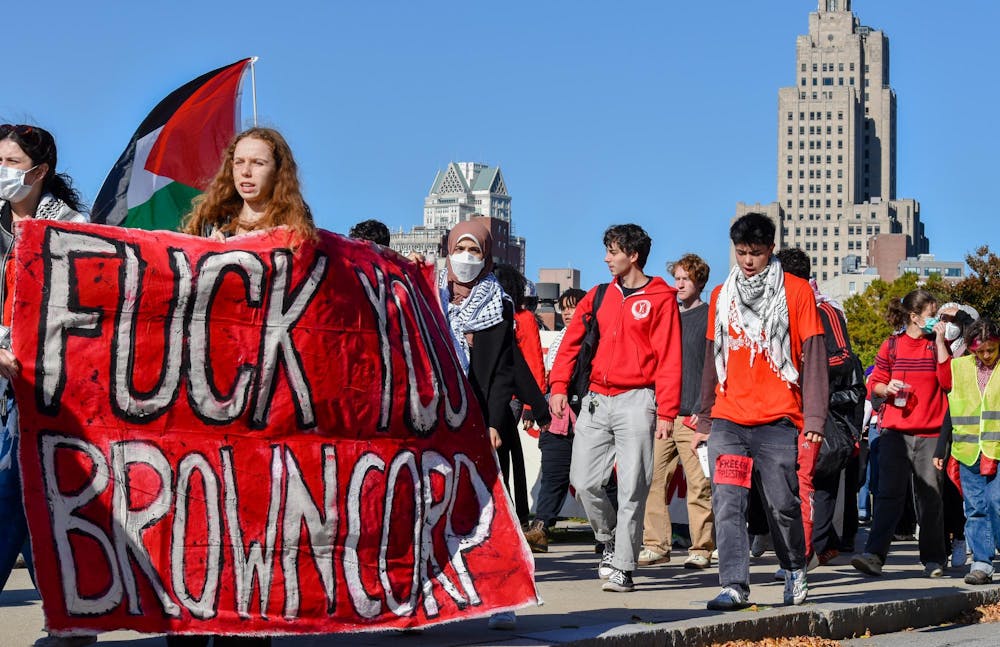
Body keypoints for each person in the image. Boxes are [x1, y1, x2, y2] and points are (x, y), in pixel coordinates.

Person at [177, 126, 316, 646]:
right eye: (239, 162)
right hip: (205, 389)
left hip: (267, 396)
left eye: (258, 163)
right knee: (200, 510)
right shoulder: (205, 226)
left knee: (253, 515)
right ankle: (192, 620)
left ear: (278, 171)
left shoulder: (299, 235)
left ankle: (246, 628)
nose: (246, 172)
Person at [692, 213, 828, 610]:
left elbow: (815, 357)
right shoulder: (722, 295)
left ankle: (794, 567)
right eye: (741, 253)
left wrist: (815, 419)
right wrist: (704, 418)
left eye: (755, 253)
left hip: (778, 419)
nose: (747, 260)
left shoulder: (797, 291)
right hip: (729, 418)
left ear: (771, 249)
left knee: (781, 503)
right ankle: (734, 584)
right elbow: (710, 359)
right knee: (728, 501)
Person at [549, 224, 683, 593]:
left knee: (633, 486)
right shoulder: (598, 295)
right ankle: (609, 540)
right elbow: (571, 344)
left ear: (633, 255)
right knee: (584, 481)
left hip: (638, 399)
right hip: (595, 399)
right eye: (607, 251)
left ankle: (624, 565)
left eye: (613, 251)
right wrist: (558, 386)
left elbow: (670, 358)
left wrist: (667, 413)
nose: (606, 258)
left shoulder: (661, 297)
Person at [0, 124, 93, 647]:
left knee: (22, 495)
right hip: (3, 377)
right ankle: (72, 619)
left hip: (52, 384)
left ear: (39, 172)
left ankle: (72, 619)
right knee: (22, 498)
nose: (2, 170)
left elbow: (87, 305)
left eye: (10, 161)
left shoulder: (73, 227)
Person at [437, 220, 519, 630]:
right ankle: (425, 601)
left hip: (477, 417)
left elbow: (503, 370)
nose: (465, 259)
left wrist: (492, 421)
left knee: (488, 510)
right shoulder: (429, 296)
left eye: (474, 251)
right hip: (434, 419)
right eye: (459, 249)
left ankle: (501, 598)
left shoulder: (497, 303)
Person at [773, 248, 864, 573]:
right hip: (786, 407)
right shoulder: (777, 309)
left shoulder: (825, 310)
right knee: (790, 482)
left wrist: (803, 364)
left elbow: (843, 357)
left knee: (817, 479)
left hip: (823, 408)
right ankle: (810, 548)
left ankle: (810, 550)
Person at [851, 288, 950, 578]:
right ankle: (874, 554)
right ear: (914, 317)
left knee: (930, 497)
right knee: (888, 495)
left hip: (930, 433)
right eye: (932, 316)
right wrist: (886, 388)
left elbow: (947, 383)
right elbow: (875, 383)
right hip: (894, 431)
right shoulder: (891, 345)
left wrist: (942, 342)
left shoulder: (936, 345)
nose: (936, 320)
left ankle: (934, 559)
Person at [639, 253, 715, 570]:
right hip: (664, 414)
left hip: (693, 416)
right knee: (652, 479)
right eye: (677, 278)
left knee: (699, 485)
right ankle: (656, 544)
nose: (679, 284)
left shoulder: (711, 316)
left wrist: (706, 409)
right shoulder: (667, 315)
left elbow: (717, 367)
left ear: (699, 282)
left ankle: (702, 548)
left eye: (686, 278)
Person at [524, 288, 587, 552]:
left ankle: (612, 531)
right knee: (553, 473)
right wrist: (532, 407)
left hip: (587, 415)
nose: (569, 312)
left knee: (598, 479)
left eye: (574, 306)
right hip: (558, 416)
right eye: (564, 307)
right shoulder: (560, 338)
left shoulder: (596, 338)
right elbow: (542, 377)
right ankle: (541, 528)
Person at [939, 318, 1000, 584]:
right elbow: (946, 393)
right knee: (975, 508)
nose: (986, 355)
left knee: (997, 502)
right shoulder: (959, 367)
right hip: (968, 450)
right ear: (972, 347)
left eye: (992, 350)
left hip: (997, 449)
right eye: (981, 350)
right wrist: (939, 341)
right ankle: (982, 563)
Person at [492, 263, 550, 524]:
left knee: (502, 453)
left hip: (513, 398)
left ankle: (510, 514)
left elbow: (534, 361)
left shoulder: (523, 318)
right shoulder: (491, 316)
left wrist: (530, 404)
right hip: (491, 394)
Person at [936, 302, 979, 568]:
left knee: (964, 493)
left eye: (952, 320)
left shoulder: (972, 352)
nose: (945, 323)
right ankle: (947, 544)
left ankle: (966, 541)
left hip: (964, 429)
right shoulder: (937, 344)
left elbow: (947, 380)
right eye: (942, 318)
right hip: (939, 427)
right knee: (942, 493)